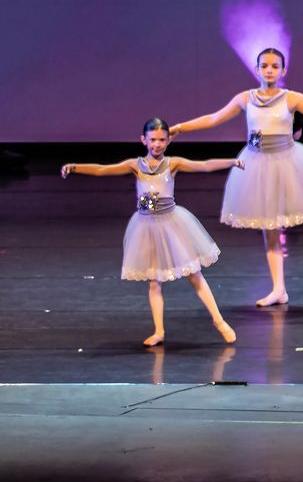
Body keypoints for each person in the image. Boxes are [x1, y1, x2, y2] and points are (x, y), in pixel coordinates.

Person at [169, 47, 303, 305]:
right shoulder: (245, 98)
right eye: (264, 66)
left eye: (274, 66)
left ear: (283, 70)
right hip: (258, 166)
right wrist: (180, 127)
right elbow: (214, 118)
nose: (269, 70)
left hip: (289, 164)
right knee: (269, 227)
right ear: (257, 70)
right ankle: (279, 289)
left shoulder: (292, 98)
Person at [62, 118, 239, 346]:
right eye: (152, 139)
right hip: (146, 227)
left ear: (168, 141)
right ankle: (159, 331)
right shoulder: (135, 166)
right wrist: (75, 167)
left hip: (171, 224)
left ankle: (219, 321)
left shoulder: (172, 164)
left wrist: (232, 161)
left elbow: (204, 165)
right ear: (143, 140)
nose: (157, 144)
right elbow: (102, 170)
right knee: (155, 281)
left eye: (162, 140)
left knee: (194, 274)